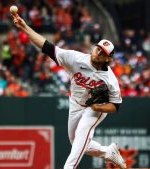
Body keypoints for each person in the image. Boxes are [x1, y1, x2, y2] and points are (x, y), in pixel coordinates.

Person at [11, 13, 127, 169]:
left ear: (108, 59)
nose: (98, 52)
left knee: (81, 136)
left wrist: (98, 107)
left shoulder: (110, 79)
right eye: (98, 48)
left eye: (103, 53)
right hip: (76, 103)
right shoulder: (76, 58)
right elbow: (47, 47)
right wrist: (24, 27)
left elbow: (116, 106)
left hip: (96, 108)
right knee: (77, 142)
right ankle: (108, 152)